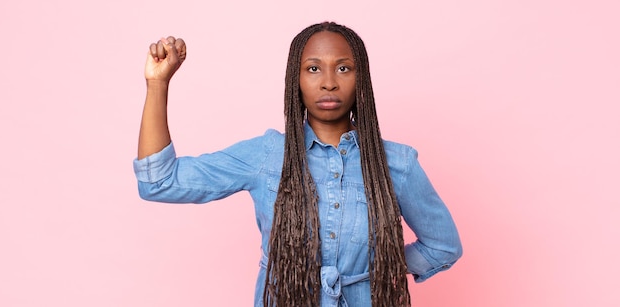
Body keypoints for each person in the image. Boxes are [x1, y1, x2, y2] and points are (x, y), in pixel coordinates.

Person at [134, 21, 462, 307]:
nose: (329, 82)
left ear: (361, 78)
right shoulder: (266, 155)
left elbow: (442, 246)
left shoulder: (397, 163)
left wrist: (381, 266)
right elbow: (159, 181)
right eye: (314, 68)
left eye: (344, 68)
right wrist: (157, 85)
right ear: (297, 78)